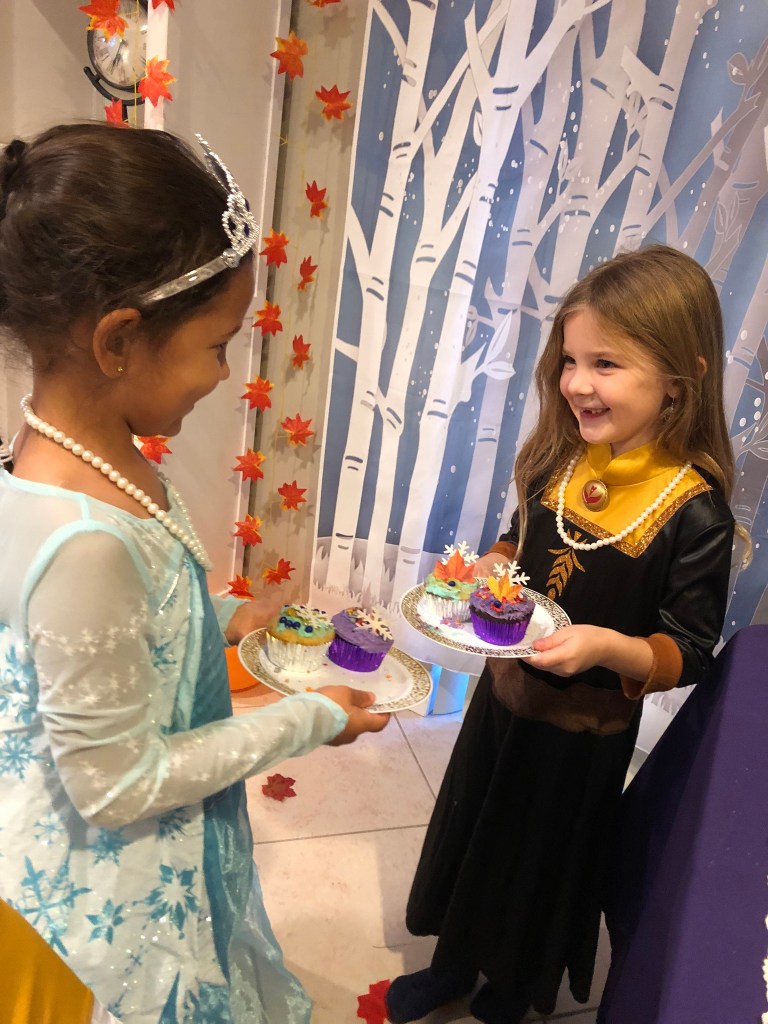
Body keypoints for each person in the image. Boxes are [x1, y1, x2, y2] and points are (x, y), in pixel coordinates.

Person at [0, 122, 389, 1024]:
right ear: (118, 340)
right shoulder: (81, 538)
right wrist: (308, 718)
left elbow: (126, 616)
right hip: (107, 900)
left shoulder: (82, 454)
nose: (225, 373)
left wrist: (219, 615)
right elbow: (116, 784)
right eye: (217, 345)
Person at [386, 244, 744, 1024]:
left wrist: (603, 648)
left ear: (681, 379)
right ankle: (452, 961)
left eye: (606, 364)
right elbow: (521, 541)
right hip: (504, 699)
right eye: (571, 361)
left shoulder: (693, 512)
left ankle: (514, 984)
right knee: (475, 826)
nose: (577, 383)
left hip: (583, 734)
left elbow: (688, 647)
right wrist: (491, 564)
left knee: (539, 860)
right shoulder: (559, 458)